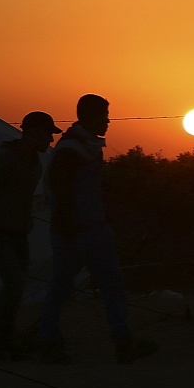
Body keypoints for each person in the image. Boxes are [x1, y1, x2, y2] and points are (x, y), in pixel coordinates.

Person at [40, 94, 157, 364]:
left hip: (94, 229)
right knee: (62, 289)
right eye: (104, 115)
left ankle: (122, 343)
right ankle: (50, 343)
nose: (108, 121)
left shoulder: (87, 147)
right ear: (89, 117)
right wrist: (71, 228)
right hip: (77, 233)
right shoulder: (71, 150)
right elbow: (62, 193)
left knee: (111, 286)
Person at [0, 111, 61, 360]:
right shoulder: (3, 160)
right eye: (47, 134)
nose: (50, 141)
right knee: (13, 285)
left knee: (16, 287)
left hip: (18, 232)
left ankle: (3, 338)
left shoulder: (33, 162)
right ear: (31, 133)